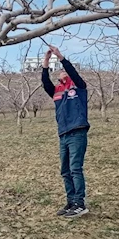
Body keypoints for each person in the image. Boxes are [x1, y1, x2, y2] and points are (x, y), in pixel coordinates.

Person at [41, 46, 90, 219]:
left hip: (77, 131)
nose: (61, 71)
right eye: (60, 70)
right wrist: (46, 61)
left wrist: (60, 57)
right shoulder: (56, 91)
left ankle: (80, 203)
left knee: (75, 168)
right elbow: (45, 82)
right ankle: (71, 201)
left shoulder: (78, 87)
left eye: (64, 70)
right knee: (65, 170)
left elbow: (72, 72)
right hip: (63, 134)